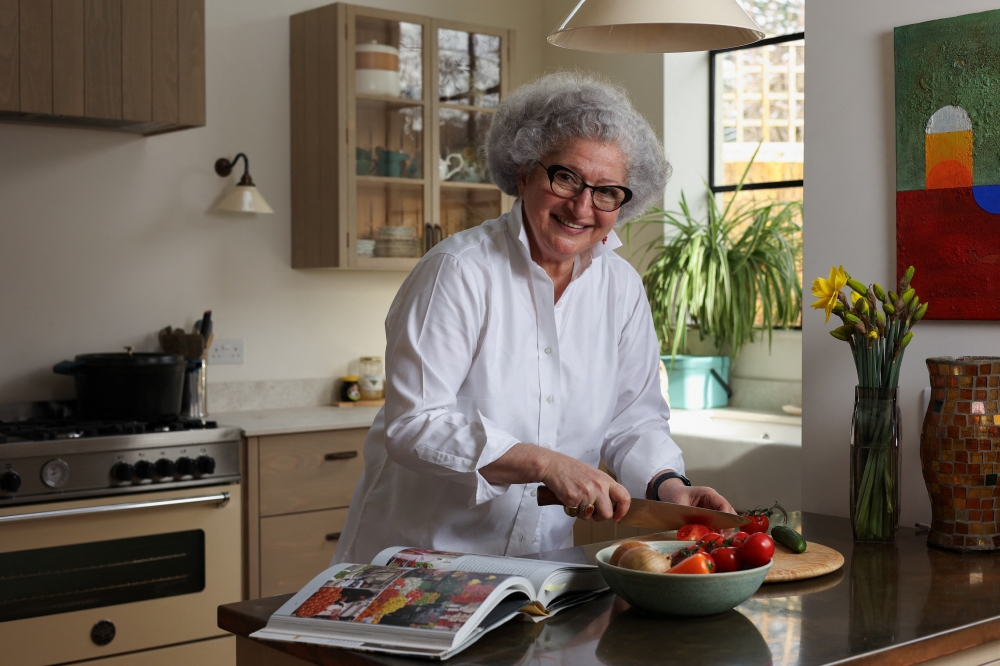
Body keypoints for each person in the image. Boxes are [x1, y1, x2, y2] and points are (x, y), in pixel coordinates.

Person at [334, 72, 733, 566]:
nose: (582, 206)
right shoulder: (457, 270)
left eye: (607, 191)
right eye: (565, 177)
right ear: (523, 173)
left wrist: (669, 486)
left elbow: (635, 420)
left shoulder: (621, 287)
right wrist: (543, 462)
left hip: (538, 567)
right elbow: (415, 425)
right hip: (421, 561)